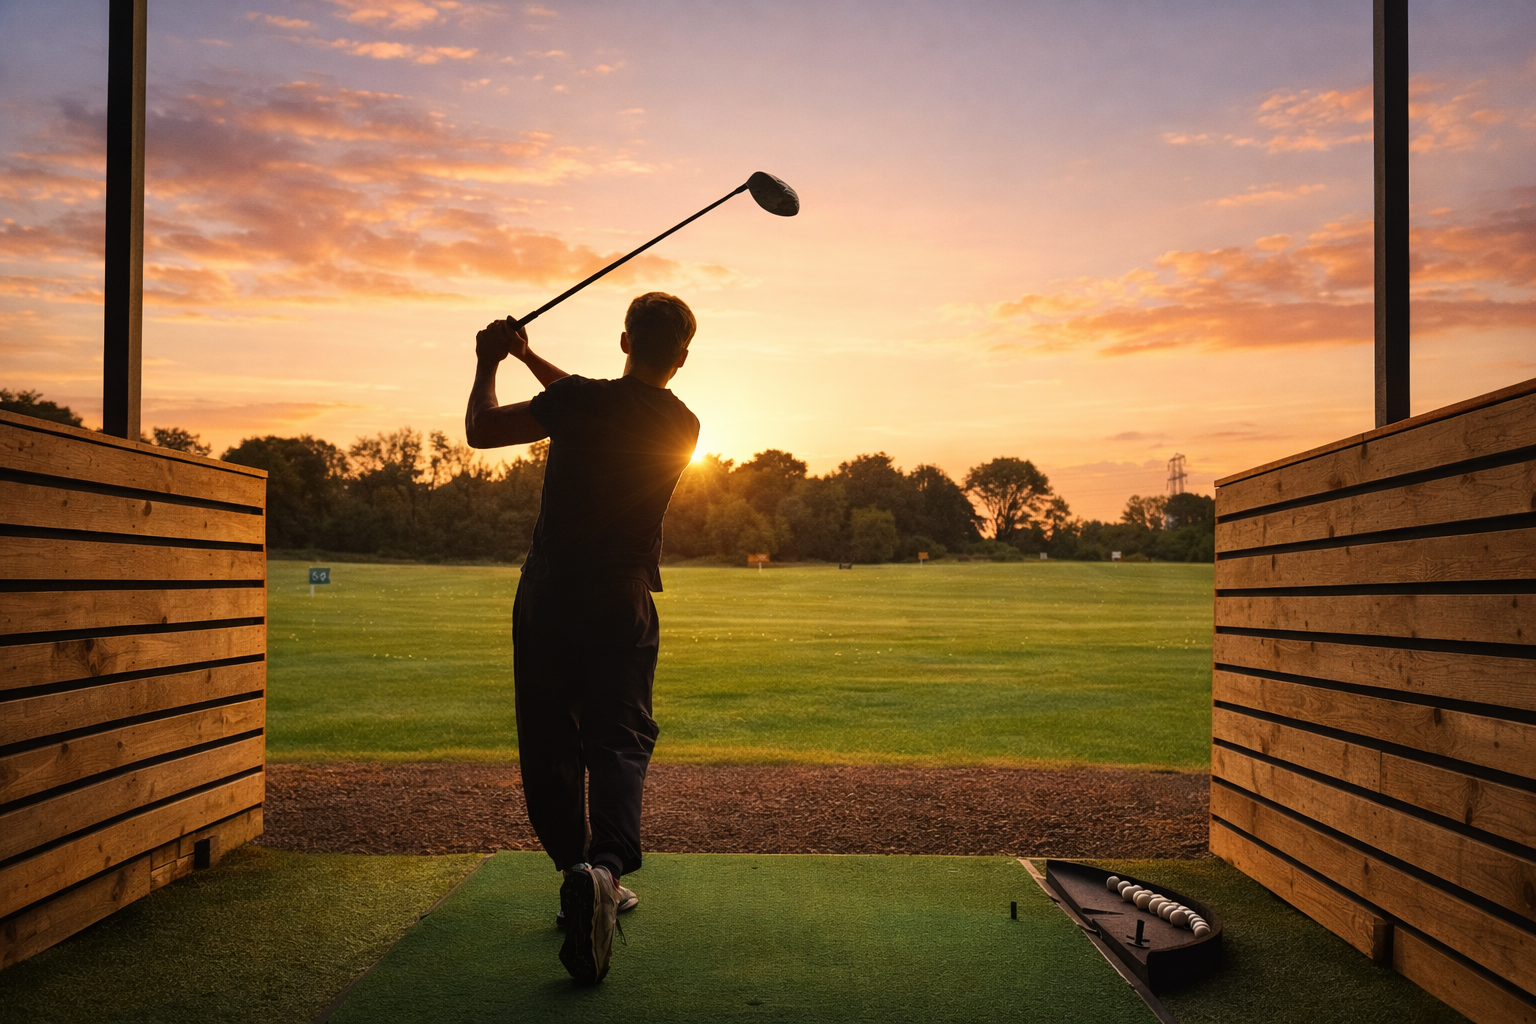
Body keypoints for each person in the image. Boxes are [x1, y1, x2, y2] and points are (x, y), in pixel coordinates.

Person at [463, 292, 701, 985]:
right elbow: (591, 400)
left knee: (548, 740)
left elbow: (482, 428)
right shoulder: (683, 422)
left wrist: (491, 360)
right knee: (619, 739)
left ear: (624, 340)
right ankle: (604, 871)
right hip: (621, 598)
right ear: (680, 358)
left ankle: (578, 871)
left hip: (548, 596)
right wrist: (529, 354)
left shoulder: (579, 401)